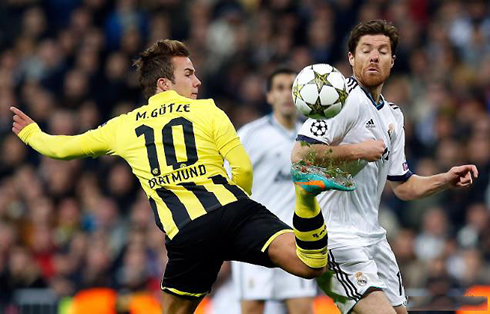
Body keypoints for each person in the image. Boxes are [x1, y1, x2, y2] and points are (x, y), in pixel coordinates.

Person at [11, 39, 335, 314]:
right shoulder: (207, 109)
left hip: (188, 232)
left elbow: (63, 148)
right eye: (189, 74)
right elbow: (244, 169)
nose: (198, 83)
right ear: (164, 83)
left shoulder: (123, 126)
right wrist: (236, 213)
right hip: (235, 210)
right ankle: (306, 199)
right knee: (311, 264)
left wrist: (31, 134)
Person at [291, 20, 478, 314]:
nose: (374, 56)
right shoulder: (339, 101)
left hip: (374, 239)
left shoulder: (393, 116)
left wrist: (445, 179)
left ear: (393, 61)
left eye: (382, 51)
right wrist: (356, 150)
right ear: (352, 59)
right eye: (366, 50)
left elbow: (403, 186)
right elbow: (300, 156)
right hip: (337, 236)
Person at [231, 68, 316, 314]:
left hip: (298, 239)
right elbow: (229, 181)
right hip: (255, 239)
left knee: (302, 309)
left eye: (292, 88)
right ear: (269, 96)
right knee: (252, 309)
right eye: (280, 88)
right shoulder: (250, 136)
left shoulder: (312, 138)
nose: (287, 95)